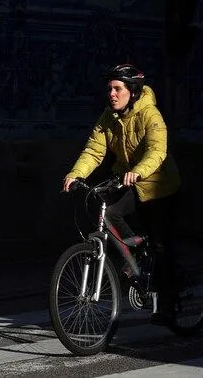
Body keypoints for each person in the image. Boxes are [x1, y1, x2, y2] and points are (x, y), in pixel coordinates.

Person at [62, 64, 181, 325]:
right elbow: (94, 150)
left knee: (160, 244)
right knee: (110, 214)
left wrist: (138, 171)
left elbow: (157, 151)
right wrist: (76, 174)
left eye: (118, 89)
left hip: (159, 183)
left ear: (133, 91)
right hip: (129, 180)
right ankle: (135, 255)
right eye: (110, 89)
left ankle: (168, 302)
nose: (112, 94)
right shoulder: (109, 117)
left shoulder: (150, 114)